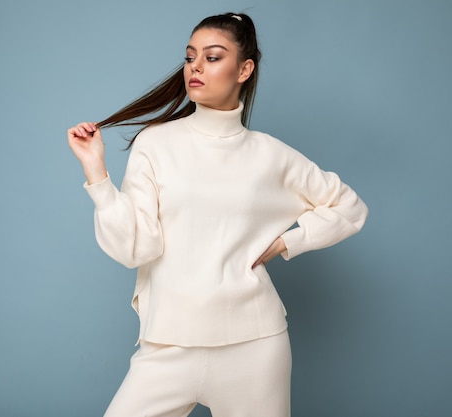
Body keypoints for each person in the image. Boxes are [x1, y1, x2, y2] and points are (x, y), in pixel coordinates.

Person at [68, 12, 368, 417]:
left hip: (254, 348)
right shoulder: (154, 143)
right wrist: (97, 176)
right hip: (168, 344)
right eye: (191, 57)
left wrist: (288, 241)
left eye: (212, 57)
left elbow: (349, 205)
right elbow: (135, 247)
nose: (195, 67)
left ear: (245, 69)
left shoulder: (271, 155)